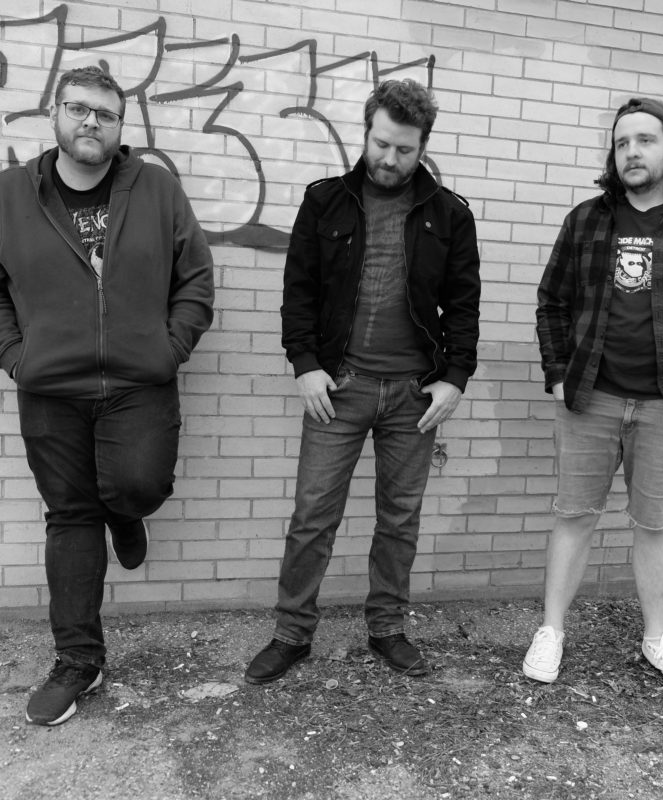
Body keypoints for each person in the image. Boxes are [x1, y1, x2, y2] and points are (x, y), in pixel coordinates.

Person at [0, 66, 214, 725]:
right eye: (78, 108)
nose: (91, 122)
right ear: (56, 113)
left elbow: (195, 277)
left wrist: (168, 349)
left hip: (138, 382)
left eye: (105, 113)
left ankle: (126, 512)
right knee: (70, 517)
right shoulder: (10, 193)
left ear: (121, 126)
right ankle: (79, 661)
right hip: (50, 388)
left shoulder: (156, 189)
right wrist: (15, 355)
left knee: (140, 484)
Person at [244, 79, 481, 684]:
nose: (389, 159)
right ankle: (292, 634)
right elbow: (298, 291)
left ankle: (387, 628)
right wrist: (305, 364)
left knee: (400, 518)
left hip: (413, 394)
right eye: (381, 144)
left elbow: (463, 306)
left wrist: (454, 378)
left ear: (423, 146)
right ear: (366, 132)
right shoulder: (325, 201)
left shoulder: (450, 215)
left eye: (404, 149)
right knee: (313, 515)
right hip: (338, 387)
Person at [524, 97, 663, 691]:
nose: (631, 152)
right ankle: (551, 631)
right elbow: (551, 302)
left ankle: (657, 638)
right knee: (573, 517)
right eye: (622, 142)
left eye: (645, 140)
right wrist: (558, 375)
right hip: (590, 399)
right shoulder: (586, 220)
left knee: (653, 523)